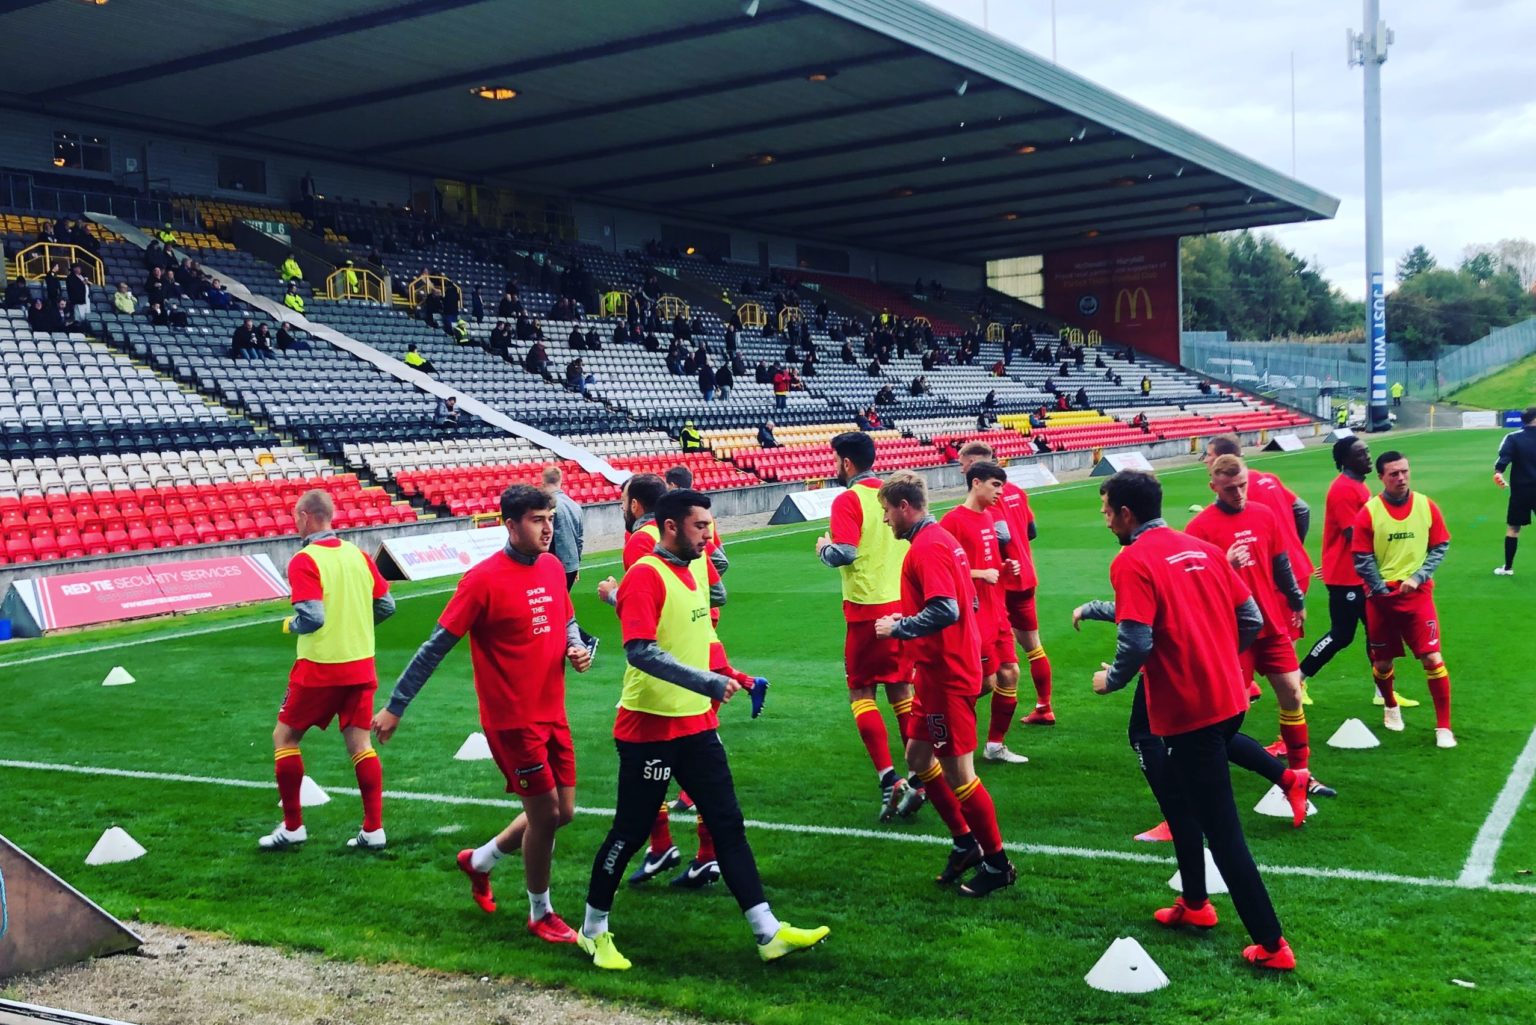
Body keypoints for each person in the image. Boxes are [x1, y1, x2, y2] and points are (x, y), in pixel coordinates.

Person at [578, 489, 827, 970]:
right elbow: (640, 651)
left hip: (696, 724)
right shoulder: (645, 575)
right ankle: (592, 931)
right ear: (671, 526)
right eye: (701, 526)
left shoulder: (696, 568)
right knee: (630, 831)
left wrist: (730, 674)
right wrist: (707, 682)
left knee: (727, 823)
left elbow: (701, 634)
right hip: (648, 726)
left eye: (710, 526)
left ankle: (768, 932)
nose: (709, 535)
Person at [1089, 470, 1295, 970]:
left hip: (1191, 712)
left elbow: (1136, 640)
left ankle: (1273, 947)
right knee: (1181, 801)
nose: (1105, 519)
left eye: (1107, 511)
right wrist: (1217, 655)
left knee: (1223, 831)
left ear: (1126, 514)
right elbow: (1250, 619)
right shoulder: (1201, 548)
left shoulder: (1132, 559)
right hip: (1229, 699)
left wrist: (1111, 681)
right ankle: (1196, 904)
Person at [372, 485, 592, 944]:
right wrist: (396, 706)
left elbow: (567, 618)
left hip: (553, 711)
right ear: (510, 525)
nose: (548, 529)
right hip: (512, 720)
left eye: (550, 518)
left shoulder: (552, 567)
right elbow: (434, 647)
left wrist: (575, 646)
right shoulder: (482, 580)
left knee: (564, 812)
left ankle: (480, 861)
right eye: (537, 520)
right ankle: (540, 912)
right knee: (545, 815)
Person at [874, 473, 1016, 897]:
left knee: (960, 773)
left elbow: (946, 609)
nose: (886, 520)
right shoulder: (941, 540)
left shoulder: (929, 546)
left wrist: (899, 628)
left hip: (946, 674)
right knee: (918, 757)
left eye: (886, 511)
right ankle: (964, 842)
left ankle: (997, 864)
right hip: (938, 669)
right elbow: (961, 600)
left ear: (904, 506)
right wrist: (910, 620)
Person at [259, 490, 395, 851]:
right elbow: (387, 606)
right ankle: (374, 829)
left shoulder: (304, 560)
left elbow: (313, 617)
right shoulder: (358, 555)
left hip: (320, 667)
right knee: (360, 744)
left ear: (305, 516)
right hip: (361, 664)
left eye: (295, 516)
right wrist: (354, 627)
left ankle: (293, 827)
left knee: (285, 738)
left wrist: (290, 624)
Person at [1187, 456, 1315, 783]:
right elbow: (1195, 587)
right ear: (1213, 487)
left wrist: (1296, 600)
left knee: (1292, 693)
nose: (1239, 493)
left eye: (1243, 485)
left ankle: (1301, 773)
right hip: (1232, 633)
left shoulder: (1264, 514)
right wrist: (1225, 564)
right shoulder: (1199, 528)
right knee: (1231, 710)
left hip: (1271, 623)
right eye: (1230, 489)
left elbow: (1281, 563)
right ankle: (1210, 773)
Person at [815, 433, 920, 818]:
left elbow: (845, 552)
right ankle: (919, 777)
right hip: (902, 605)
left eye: (835, 461)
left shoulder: (849, 499)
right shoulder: (892, 495)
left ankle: (890, 779)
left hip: (866, 609)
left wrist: (823, 549)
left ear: (846, 463)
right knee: (902, 690)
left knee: (861, 692)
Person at [1352, 451, 1455, 747]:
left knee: (1432, 657)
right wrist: (1380, 589)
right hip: (1380, 598)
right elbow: (1361, 556)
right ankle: (1390, 705)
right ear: (1381, 478)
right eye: (1394, 474)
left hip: (1417, 595)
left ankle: (1444, 727)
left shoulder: (1426, 505)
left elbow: (1440, 545)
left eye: (1405, 471)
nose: (1401, 478)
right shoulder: (1369, 512)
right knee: (1383, 663)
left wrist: (1418, 577)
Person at [958, 442, 1054, 727]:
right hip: (1025, 576)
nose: (961, 470)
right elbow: (1031, 531)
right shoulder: (1016, 491)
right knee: (1033, 647)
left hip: (1000, 583)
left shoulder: (991, 497)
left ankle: (951, 708)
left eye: (963, 464)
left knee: (983, 654)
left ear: (976, 463)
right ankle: (1044, 705)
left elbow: (1000, 535)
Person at [940, 462, 1028, 765]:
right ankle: (937, 717)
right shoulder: (953, 521)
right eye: (995, 485)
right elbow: (942, 569)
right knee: (983, 684)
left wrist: (1004, 568)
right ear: (976, 483)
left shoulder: (990, 517)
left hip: (997, 611)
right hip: (974, 616)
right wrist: (980, 574)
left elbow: (987, 562)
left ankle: (995, 745)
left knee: (1010, 673)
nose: (1000, 492)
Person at [1298, 436, 1376, 681]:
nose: (1368, 457)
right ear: (1346, 460)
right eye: (1361, 453)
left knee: (1377, 633)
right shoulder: (1343, 489)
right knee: (1341, 634)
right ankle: (1298, 679)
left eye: (1367, 451)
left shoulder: (1359, 486)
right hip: (1346, 576)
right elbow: (1354, 536)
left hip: (1359, 573)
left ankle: (1383, 692)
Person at [543, 465, 596, 655]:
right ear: (561, 480)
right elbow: (580, 538)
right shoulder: (574, 505)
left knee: (553, 608)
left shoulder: (549, 506)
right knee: (555, 607)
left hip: (555, 564)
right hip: (571, 564)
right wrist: (576, 564)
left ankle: (585, 640)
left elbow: (549, 538)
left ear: (543, 481)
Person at [1494, 406, 1536, 576]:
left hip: (1521, 490)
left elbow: (1503, 458)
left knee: (1513, 528)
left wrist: (1499, 472)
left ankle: (1508, 568)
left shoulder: (1513, 437)